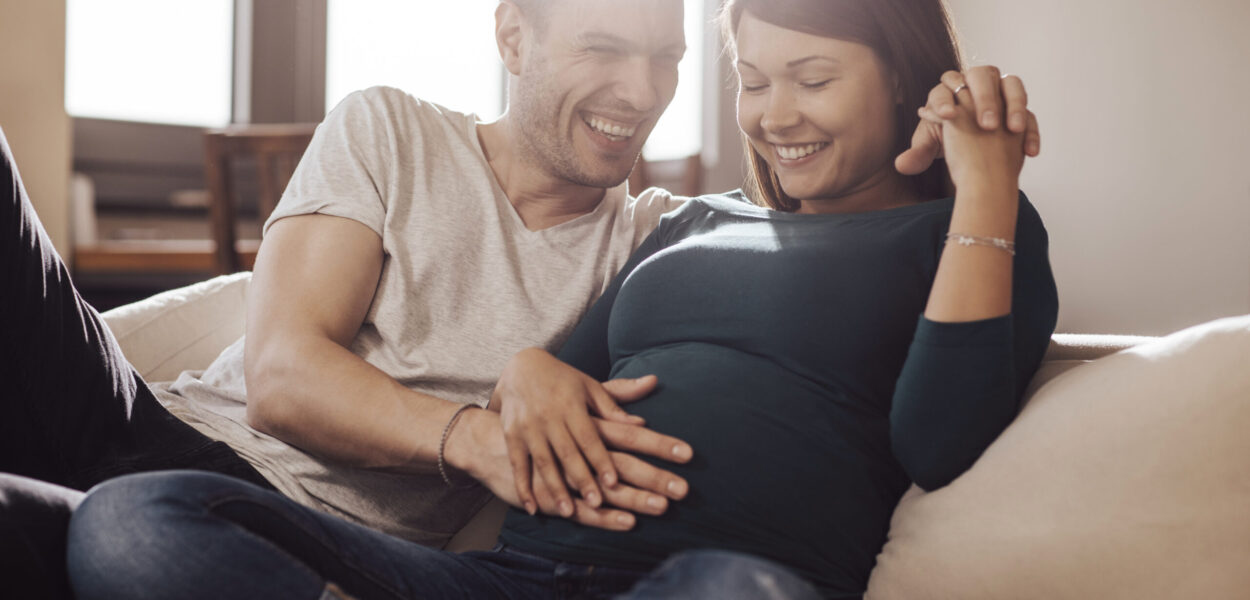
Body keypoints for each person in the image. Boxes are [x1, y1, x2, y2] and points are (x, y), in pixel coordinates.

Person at [62, 0, 1058, 598]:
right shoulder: (689, 223)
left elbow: (940, 441)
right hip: (506, 579)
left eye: (811, 79)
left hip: (702, 577)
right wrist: (528, 368)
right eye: (752, 81)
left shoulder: (964, 236)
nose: (773, 115)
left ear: (897, 78)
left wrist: (983, 188)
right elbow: (553, 374)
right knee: (138, 524)